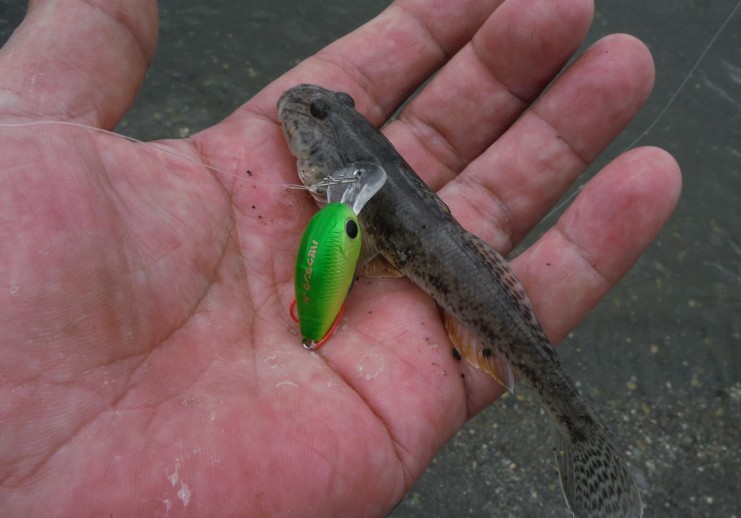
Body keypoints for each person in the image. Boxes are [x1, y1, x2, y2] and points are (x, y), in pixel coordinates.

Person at [0, 0, 680, 514]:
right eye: (322, 114)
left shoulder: (350, 186)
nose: (306, 110)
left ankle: (579, 431)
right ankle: (581, 430)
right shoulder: (355, 183)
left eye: (327, 115)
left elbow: (365, 247)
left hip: (453, 266)